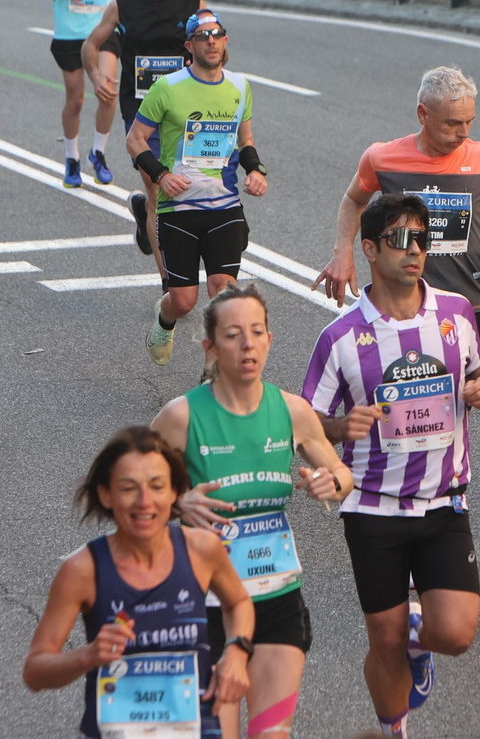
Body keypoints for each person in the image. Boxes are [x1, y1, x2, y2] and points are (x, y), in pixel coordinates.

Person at [303, 193, 480, 738]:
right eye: (398, 240)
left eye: (421, 239)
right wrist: (341, 429)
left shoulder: (456, 313)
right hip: (371, 508)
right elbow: (307, 422)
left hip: (444, 501)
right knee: (383, 641)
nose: (414, 250)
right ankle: (395, 728)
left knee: (457, 633)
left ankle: (421, 635)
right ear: (369, 249)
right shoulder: (341, 337)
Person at [152, 284, 354, 739]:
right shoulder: (181, 416)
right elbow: (128, 492)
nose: (248, 345)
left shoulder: (292, 411)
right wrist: (177, 502)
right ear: (209, 347)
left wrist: (331, 482)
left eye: (257, 332)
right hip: (204, 607)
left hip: (277, 597)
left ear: (269, 340)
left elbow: (343, 475)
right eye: (233, 335)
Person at [23, 426, 253, 739]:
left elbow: (238, 601)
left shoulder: (201, 549)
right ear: (106, 494)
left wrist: (237, 652)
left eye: (157, 486)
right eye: (129, 488)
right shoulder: (82, 569)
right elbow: (35, 672)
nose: (145, 502)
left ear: (174, 492)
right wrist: (87, 655)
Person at [313, 66, 480, 347]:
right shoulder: (382, 158)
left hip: (467, 309)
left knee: (465, 392)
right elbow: (354, 199)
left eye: (469, 122)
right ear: (423, 114)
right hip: (399, 308)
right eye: (452, 123)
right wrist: (342, 253)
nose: (463, 133)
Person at [126, 10, 266, 365]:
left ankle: (213, 370)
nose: (211, 41)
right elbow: (136, 139)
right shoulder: (168, 87)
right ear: (189, 46)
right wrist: (161, 176)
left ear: (225, 40)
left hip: (225, 206)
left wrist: (255, 170)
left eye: (217, 34)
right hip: (179, 208)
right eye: (202, 36)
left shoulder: (239, 86)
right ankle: (164, 318)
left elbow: (245, 138)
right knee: (184, 300)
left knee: (224, 292)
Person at [81, 0, 205, 260]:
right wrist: (96, 77)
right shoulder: (125, 2)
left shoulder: (193, 3)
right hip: (140, 110)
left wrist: (201, 63)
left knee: (188, 186)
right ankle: (168, 282)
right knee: (157, 188)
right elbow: (90, 45)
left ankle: (147, 216)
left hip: (185, 109)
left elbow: (218, 51)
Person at [31, 0, 127, 187]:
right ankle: (71, 157)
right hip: (70, 29)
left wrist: (131, 1)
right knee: (77, 100)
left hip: (103, 25)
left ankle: (97, 153)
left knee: (108, 90)